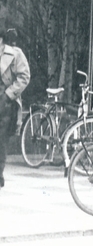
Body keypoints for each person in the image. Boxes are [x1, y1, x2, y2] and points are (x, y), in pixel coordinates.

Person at [0, 28, 30, 188]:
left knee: (1, 139)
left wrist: (8, 94)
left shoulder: (15, 54)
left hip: (4, 101)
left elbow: (24, 76)